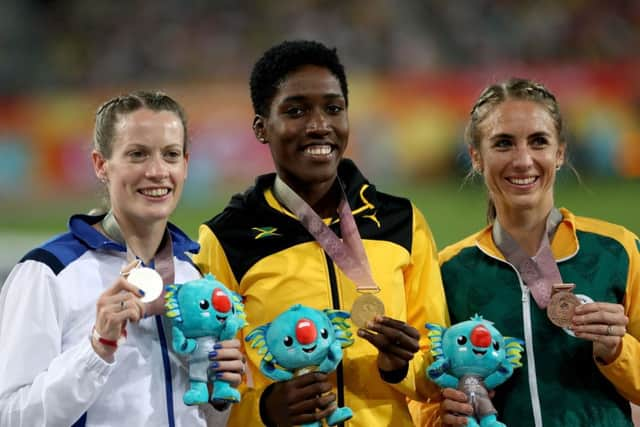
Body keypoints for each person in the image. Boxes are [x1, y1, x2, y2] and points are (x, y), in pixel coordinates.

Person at [193, 40, 448, 427]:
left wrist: (401, 369)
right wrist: (264, 411)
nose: (318, 125)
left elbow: (441, 364)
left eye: (333, 108)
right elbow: (208, 387)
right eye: (295, 111)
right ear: (262, 128)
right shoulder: (227, 238)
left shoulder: (402, 222)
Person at [0, 91, 245, 426]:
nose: (158, 171)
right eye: (138, 155)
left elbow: (204, 419)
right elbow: (11, 416)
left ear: (186, 165)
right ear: (101, 165)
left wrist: (220, 394)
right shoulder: (48, 273)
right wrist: (96, 349)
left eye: (170, 155)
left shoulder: (193, 277)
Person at [416, 78, 640, 426]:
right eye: (503, 144)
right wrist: (440, 417)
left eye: (538, 142)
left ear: (560, 152)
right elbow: (425, 396)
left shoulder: (616, 251)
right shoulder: (449, 271)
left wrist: (617, 350)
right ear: (476, 157)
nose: (523, 160)